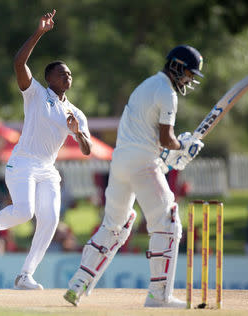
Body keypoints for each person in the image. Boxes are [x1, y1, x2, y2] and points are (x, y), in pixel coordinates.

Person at [64, 45, 204, 308]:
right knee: (168, 221)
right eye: (188, 72)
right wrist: (183, 147)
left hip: (120, 164)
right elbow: (165, 139)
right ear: (175, 65)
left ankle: (77, 284)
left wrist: (170, 150)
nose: (189, 79)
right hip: (142, 163)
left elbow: (150, 138)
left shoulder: (146, 85)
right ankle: (159, 296)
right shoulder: (167, 93)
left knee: (115, 225)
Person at [0, 9, 92, 290]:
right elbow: (19, 63)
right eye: (62, 73)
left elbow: (87, 149)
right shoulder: (36, 94)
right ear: (49, 78)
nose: (68, 76)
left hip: (47, 168)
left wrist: (77, 133)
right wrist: (39, 32)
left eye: (70, 73)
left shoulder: (75, 113)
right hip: (22, 163)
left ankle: (24, 275)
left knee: (51, 219)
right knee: (25, 212)